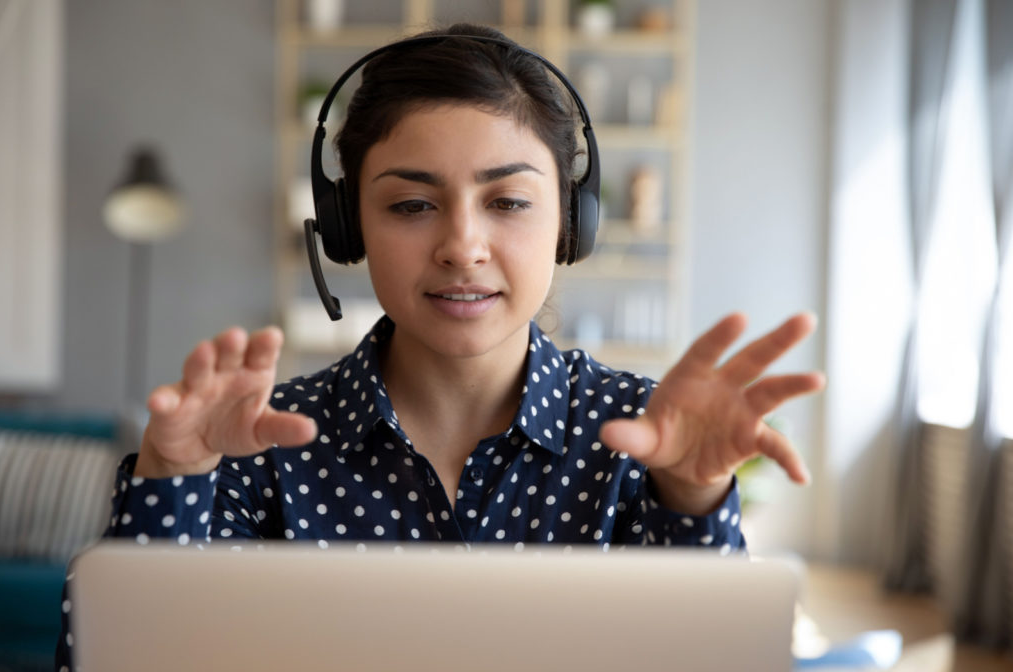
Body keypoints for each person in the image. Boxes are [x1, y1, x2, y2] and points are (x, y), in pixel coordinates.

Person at [56, 22, 823, 670]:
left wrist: (688, 499)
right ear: (349, 228)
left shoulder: (643, 439)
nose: (462, 245)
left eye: (509, 201)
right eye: (412, 203)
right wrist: (172, 478)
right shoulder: (258, 445)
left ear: (570, 224)